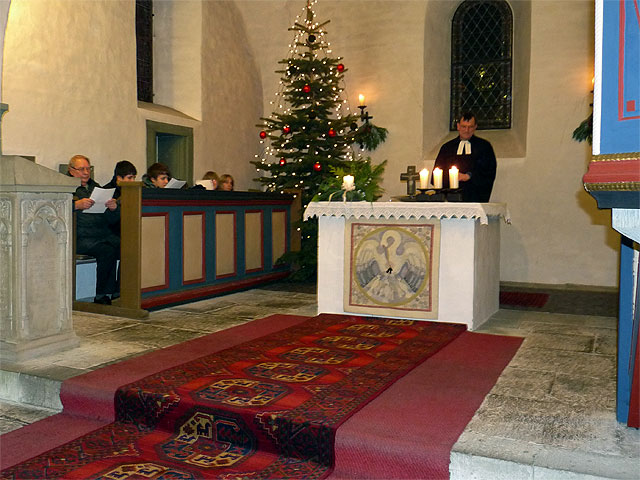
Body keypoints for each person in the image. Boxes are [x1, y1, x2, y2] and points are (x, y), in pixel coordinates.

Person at [68, 154, 119, 305]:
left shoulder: (97, 188)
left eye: (88, 169)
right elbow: (54, 209)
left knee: (126, 247)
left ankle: (119, 290)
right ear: (71, 171)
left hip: (102, 234)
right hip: (80, 237)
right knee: (107, 251)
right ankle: (102, 294)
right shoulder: (65, 188)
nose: (86, 172)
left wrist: (113, 209)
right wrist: (75, 206)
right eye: (81, 169)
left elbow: (112, 220)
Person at [432, 112, 497, 202]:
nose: (467, 130)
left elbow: (489, 171)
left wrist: (469, 176)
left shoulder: (484, 147)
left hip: (475, 197)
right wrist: (453, 178)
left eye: (470, 127)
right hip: (450, 199)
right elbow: (437, 173)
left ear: (475, 127)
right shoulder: (447, 148)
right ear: (458, 126)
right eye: (463, 126)